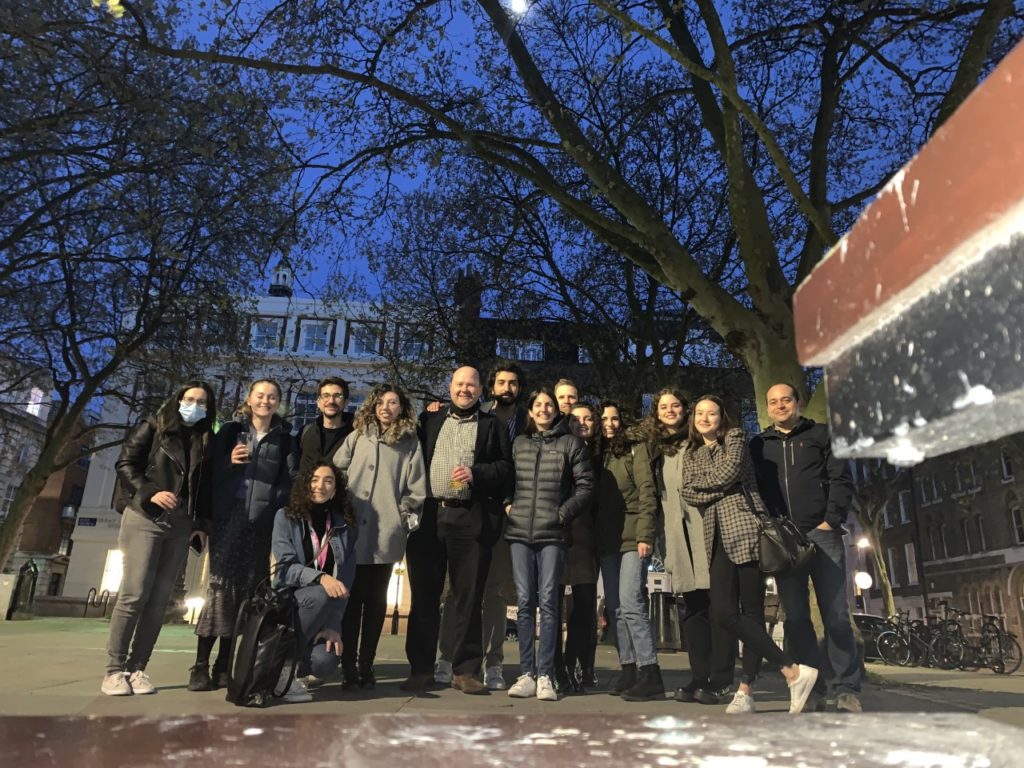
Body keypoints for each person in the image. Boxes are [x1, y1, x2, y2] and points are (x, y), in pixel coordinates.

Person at [681, 394, 818, 714]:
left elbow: (727, 475)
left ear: (721, 416)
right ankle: (792, 671)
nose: (705, 418)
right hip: (715, 537)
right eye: (699, 413)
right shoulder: (691, 451)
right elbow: (687, 491)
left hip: (746, 530)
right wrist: (711, 488)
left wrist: (706, 487)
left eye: (711, 413)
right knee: (723, 612)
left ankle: (745, 691)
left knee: (753, 612)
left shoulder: (736, 438)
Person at [402, 365, 513, 694]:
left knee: (468, 598)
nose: (465, 389)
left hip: (470, 518)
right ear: (449, 386)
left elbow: (506, 468)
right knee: (424, 597)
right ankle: (421, 669)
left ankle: (466, 670)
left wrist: (477, 473)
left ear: (481, 390)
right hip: (429, 518)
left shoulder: (493, 425)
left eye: (471, 385)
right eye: (459, 383)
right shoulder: (430, 419)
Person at [750, 383, 860, 712]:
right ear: (768, 409)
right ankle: (812, 687)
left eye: (786, 399)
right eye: (774, 402)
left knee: (836, 614)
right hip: (785, 540)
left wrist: (830, 519)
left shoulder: (822, 435)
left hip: (823, 534)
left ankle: (846, 688)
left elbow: (841, 478)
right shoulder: (758, 444)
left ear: (797, 403)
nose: (780, 406)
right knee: (796, 618)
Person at [102, 381, 216, 696]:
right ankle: (114, 670)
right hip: (144, 517)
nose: (195, 405)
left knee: (158, 601)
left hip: (181, 525)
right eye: (190, 399)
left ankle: (138, 669)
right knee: (135, 593)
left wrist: (201, 525)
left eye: (202, 401)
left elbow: (205, 487)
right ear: (178, 399)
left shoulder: (207, 438)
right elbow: (126, 464)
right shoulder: (153, 426)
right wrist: (152, 492)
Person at [189, 378, 298, 691]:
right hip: (229, 518)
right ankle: (200, 666)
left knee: (249, 594)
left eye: (272, 397)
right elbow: (208, 475)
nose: (266, 401)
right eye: (260, 395)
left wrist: (274, 505)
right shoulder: (229, 432)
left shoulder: (285, 439)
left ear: (279, 402)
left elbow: (289, 481)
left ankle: (225, 665)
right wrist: (229, 463)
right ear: (249, 398)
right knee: (220, 590)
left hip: (261, 523)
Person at [634, 387, 736, 705]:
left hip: (706, 526)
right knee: (692, 607)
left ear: (685, 409)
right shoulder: (653, 448)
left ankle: (721, 679)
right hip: (674, 532)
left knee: (717, 606)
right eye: (663, 406)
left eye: (675, 405)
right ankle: (699, 675)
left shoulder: (699, 439)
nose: (669, 410)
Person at [436, 361, 524, 691]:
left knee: (495, 592)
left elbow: (511, 468)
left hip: (505, 517)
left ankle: (495, 662)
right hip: (468, 513)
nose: (507, 388)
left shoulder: (528, 421)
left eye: (513, 383)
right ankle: (447, 657)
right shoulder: (473, 415)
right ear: (491, 387)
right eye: (501, 382)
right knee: (458, 590)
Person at [334, 384, 426, 690]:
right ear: (373, 406)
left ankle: (366, 664)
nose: (386, 407)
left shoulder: (409, 442)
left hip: (386, 531)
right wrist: (343, 506)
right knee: (352, 600)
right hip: (353, 529)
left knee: (376, 602)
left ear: (402, 408)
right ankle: (348, 666)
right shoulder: (358, 435)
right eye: (381, 402)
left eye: (393, 402)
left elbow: (416, 486)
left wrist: (402, 517)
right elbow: (336, 470)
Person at [504, 388, 594, 701]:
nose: (543, 409)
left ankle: (546, 675)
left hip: (553, 533)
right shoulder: (519, 443)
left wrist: (562, 513)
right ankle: (526, 672)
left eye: (549, 405)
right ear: (530, 411)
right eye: (538, 405)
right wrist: (506, 503)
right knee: (525, 603)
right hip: (519, 534)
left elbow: (585, 486)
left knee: (550, 604)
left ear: (556, 411)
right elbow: (507, 479)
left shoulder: (571, 443)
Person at [595, 400, 665, 701]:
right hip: (608, 540)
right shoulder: (600, 453)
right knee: (616, 608)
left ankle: (651, 671)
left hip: (633, 536)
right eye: (604, 418)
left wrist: (646, 534)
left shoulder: (636, 448)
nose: (609, 423)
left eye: (615, 418)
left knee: (631, 602)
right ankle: (629, 667)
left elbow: (648, 489)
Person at [271, 462, 357, 702]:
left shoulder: (344, 527)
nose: (321, 485)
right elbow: (285, 568)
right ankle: (283, 671)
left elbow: (344, 585)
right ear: (305, 484)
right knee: (320, 593)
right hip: (290, 606)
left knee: (325, 661)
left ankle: (294, 667)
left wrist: (333, 626)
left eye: (329, 481)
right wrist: (321, 577)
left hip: (322, 611)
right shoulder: (285, 517)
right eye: (315, 479)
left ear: (335, 489)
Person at [560, 401, 601, 691]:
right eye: (576, 419)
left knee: (586, 607)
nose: (582, 423)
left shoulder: (600, 455)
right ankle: (561, 667)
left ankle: (581, 664)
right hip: (561, 534)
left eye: (588, 419)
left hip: (589, 539)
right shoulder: (560, 450)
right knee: (559, 607)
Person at [298, 377, 353, 475]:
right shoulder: (306, 433)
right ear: (318, 402)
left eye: (337, 396)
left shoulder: (355, 436)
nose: (331, 401)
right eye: (326, 395)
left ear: (346, 402)